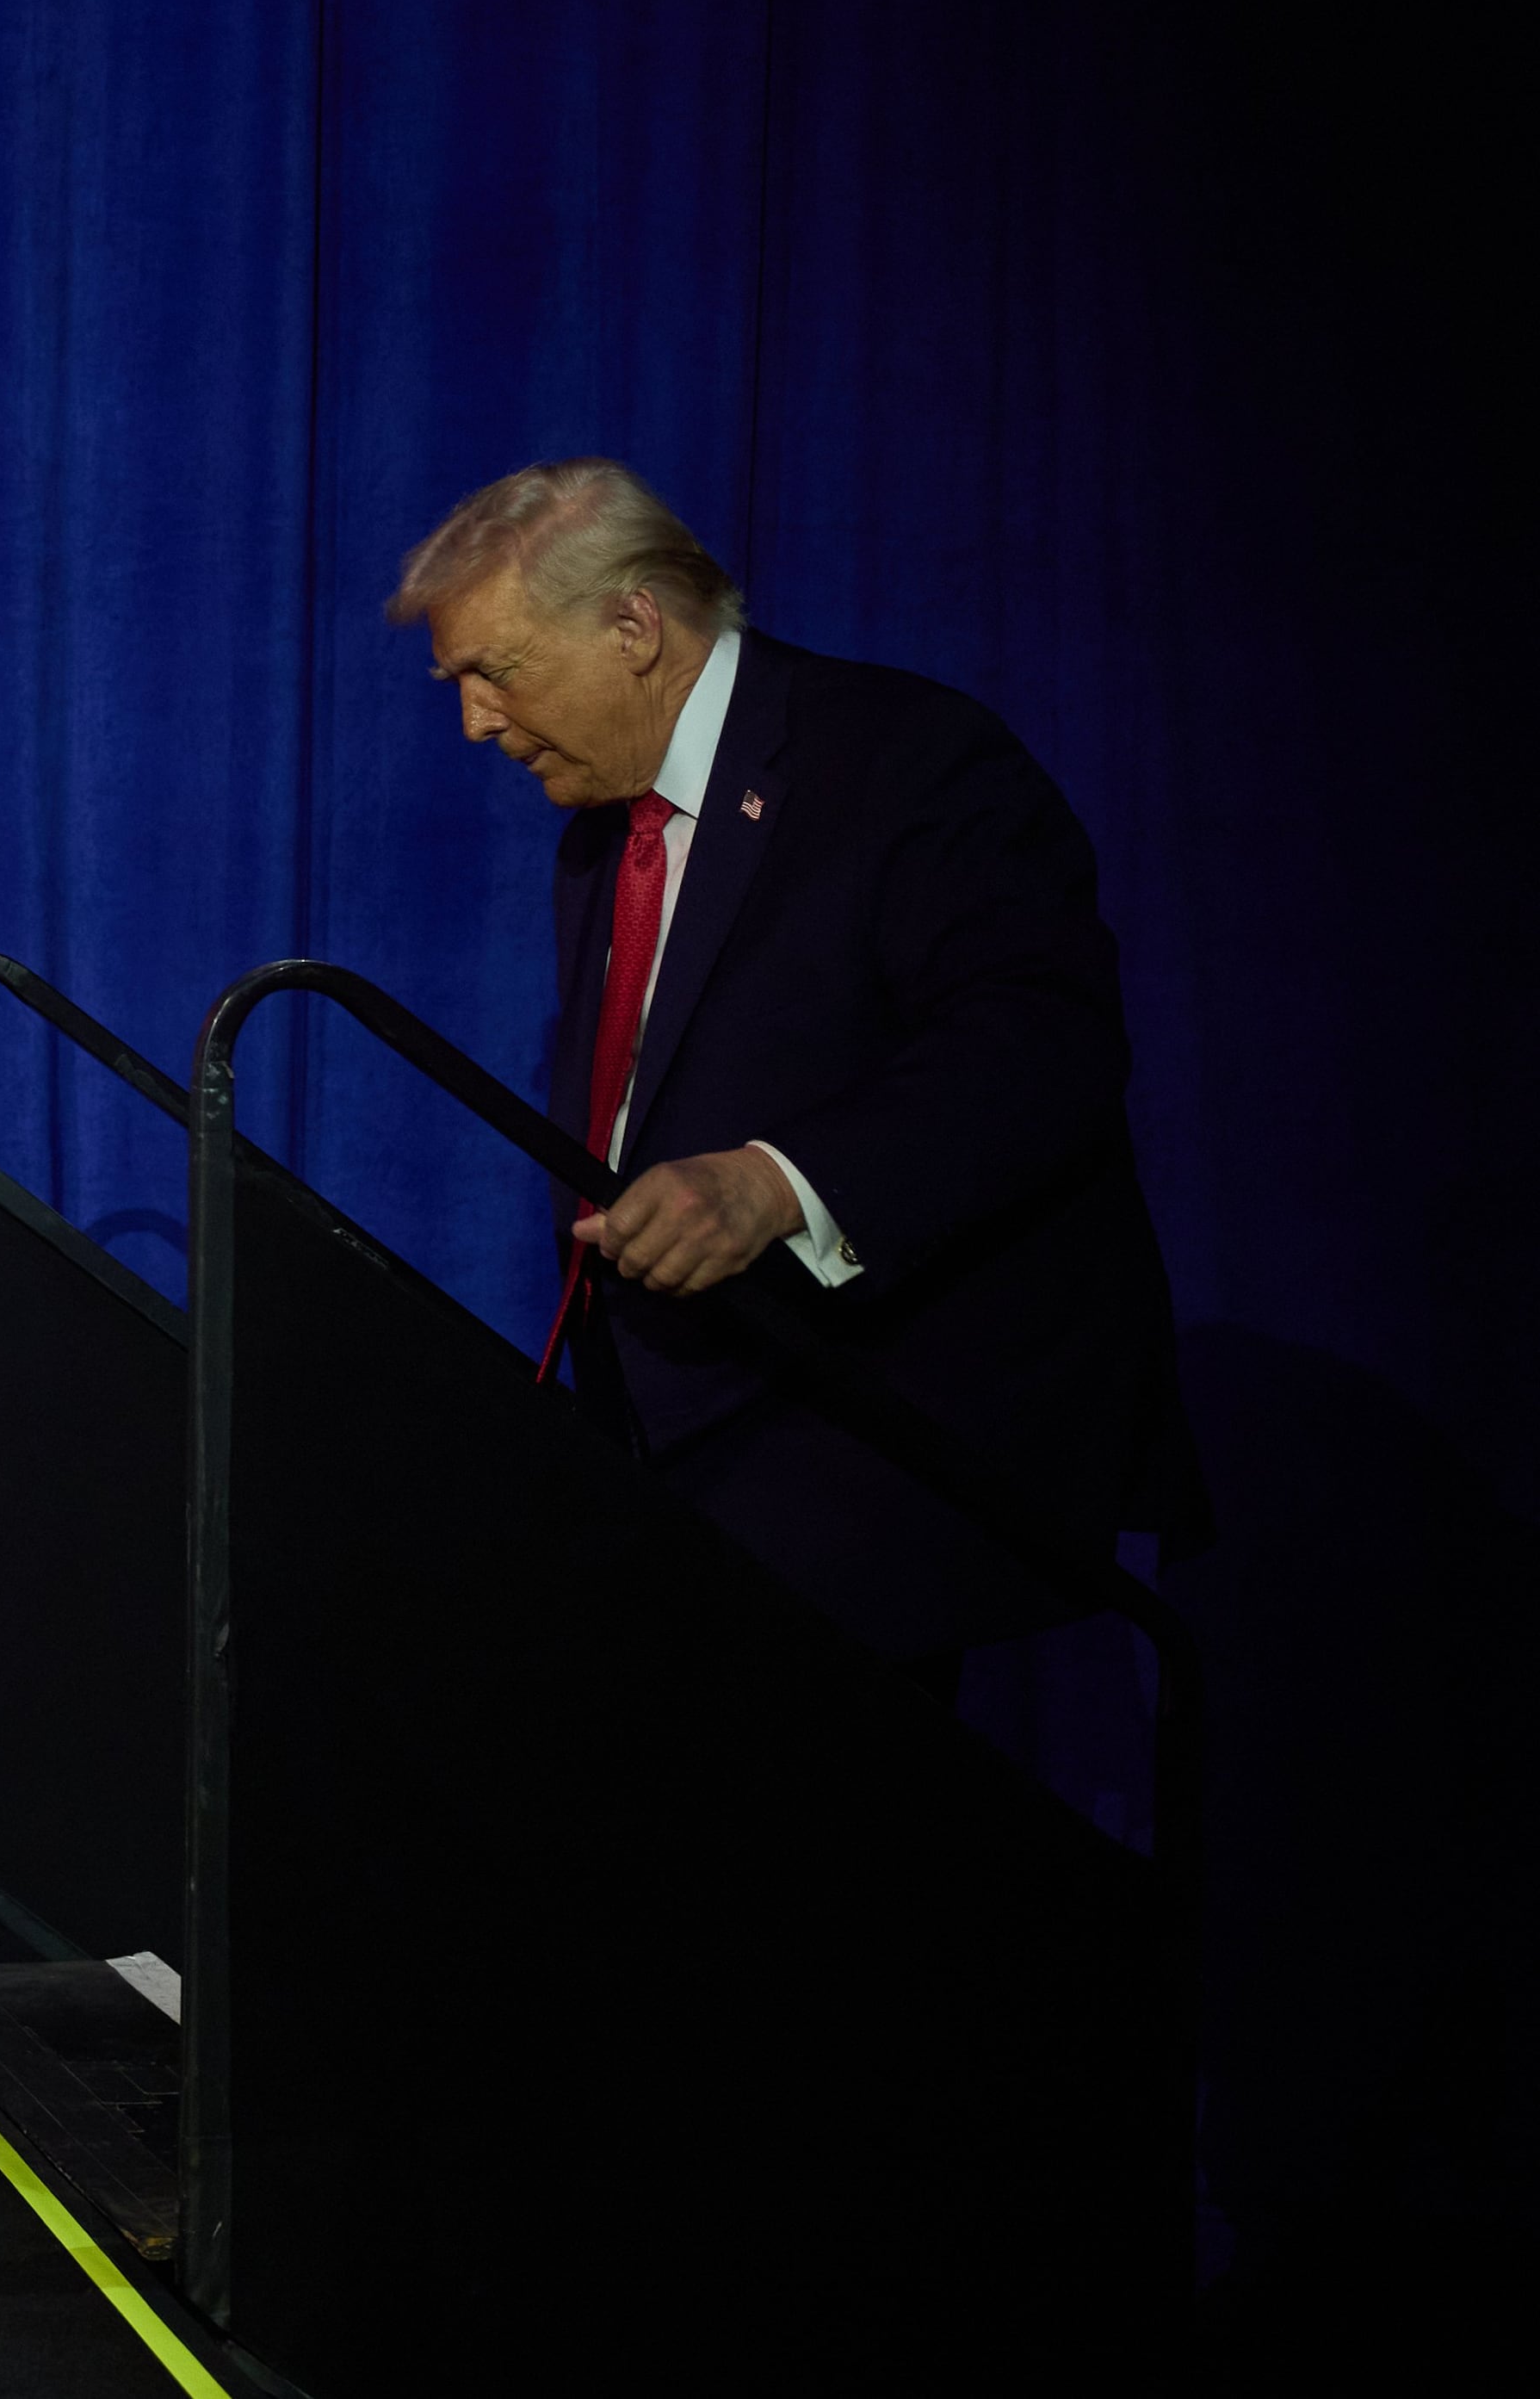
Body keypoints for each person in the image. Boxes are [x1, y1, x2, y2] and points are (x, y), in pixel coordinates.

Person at [388, 456, 1199, 1660]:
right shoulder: (597, 844)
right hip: (682, 1455)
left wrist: (777, 1185)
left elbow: (1042, 1040)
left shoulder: (904, 758)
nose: (476, 723)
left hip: (868, 1454)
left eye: (495, 674)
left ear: (633, 624)